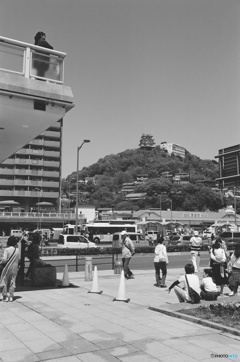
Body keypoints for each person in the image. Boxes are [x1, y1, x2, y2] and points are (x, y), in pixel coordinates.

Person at [0, 236, 20, 302]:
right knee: (12, 281)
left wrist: (1, 262)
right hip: (15, 268)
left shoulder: (7, 250)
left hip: (7, 267)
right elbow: (18, 259)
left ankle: (5, 296)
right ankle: (11, 296)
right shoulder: (17, 250)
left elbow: (4, 259)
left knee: (4, 280)